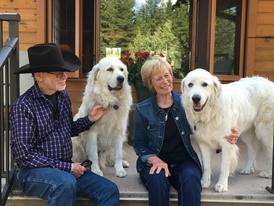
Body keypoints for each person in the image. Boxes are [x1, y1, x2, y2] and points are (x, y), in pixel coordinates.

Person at [10, 43, 119, 206]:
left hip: (64, 169)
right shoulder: (23, 106)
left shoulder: (62, 97)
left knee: (109, 190)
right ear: (39, 75)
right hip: (32, 172)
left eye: (65, 72)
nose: (65, 76)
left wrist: (90, 119)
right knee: (65, 183)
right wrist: (67, 167)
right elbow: (24, 155)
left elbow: (68, 129)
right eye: (58, 73)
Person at [133, 55, 239, 206]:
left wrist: (228, 137)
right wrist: (154, 159)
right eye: (158, 78)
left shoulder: (188, 104)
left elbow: (206, 133)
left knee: (191, 180)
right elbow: (139, 144)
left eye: (167, 75)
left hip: (184, 161)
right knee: (158, 183)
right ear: (150, 83)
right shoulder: (143, 109)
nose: (165, 81)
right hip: (156, 161)